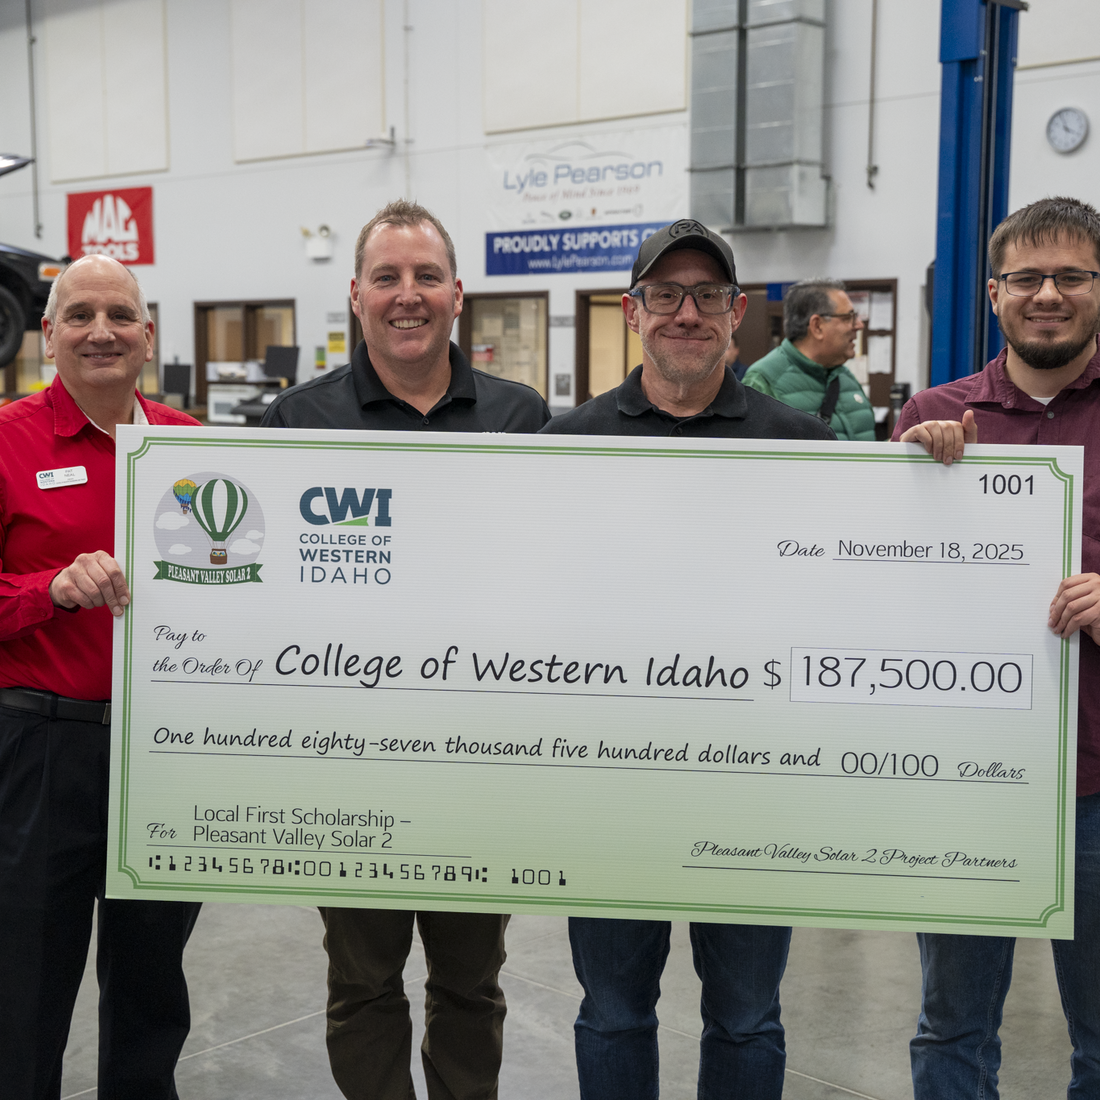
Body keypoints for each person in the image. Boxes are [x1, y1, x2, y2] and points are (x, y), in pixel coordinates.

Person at [262, 199, 550, 1100]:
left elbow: (556, 576)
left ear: (458, 294)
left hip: (480, 763)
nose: (407, 295)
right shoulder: (293, 424)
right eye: (387, 277)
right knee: (362, 983)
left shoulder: (522, 416)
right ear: (355, 295)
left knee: (471, 984)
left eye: (426, 276)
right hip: (348, 768)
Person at [540, 218, 833, 1099]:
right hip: (610, 790)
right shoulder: (564, 447)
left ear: (739, 314)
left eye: (708, 296)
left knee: (746, 1017)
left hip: (755, 791)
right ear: (633, 311)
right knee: (614, 1010)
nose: (686, 313)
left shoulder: (807, 450)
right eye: (664, 295)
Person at [893, 195, 1100, 1098]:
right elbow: (871, 590)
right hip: (969, 786)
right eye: (1027, 277)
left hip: (1098, 786)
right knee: (953, 1030)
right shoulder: (936, 419)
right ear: (993, 293)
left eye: (1070, 276)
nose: (1046, 294)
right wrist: (907, 478)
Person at [0, 254, 202, 1099]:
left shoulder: (191, 447)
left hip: (165, 753)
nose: (100, 330)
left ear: (147, 336)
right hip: (44, 748)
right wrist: (48, 589)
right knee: (26, 982)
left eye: (119, 314)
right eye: (78, 315)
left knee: (153, 979)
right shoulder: (7, 442)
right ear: (48, 337)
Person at [741, 278, 874, 439]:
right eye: (848, 317)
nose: (859, 325)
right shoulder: (763, 381)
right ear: (817, 326)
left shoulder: (846, 378)